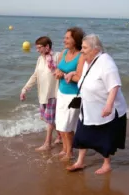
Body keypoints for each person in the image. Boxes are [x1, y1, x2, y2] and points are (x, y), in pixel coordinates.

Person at [66, 34, 127, 174]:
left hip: (105, 109)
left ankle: (107, 164)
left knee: (105, 138)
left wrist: (109, 105)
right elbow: (87, 74)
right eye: (81, 47)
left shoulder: (107, 63)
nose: (82, 50)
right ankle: (80, 162)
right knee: (81, 135)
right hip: (88, 107)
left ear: (96, 49)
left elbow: (114, 85)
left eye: (85, 47)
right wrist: (73, 73)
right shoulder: (89, 59)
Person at [20, 36, 61, 151]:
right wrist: (25, 89)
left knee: (50, 120)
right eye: (36, 48)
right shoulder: (40, 59)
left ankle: (47, 143)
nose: (37, 50)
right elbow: (35, 75)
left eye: (39, 48)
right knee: (47, 118)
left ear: (47, 47)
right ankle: (60, 136)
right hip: (42, 95)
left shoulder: (57, 57)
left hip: (54, 94)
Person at [54, 27, 85, 161]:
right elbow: (57, 69)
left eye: (67, 38)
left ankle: (70, 152)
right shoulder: (64, 53)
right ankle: (65, 149)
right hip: (61, 92)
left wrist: (65, 75)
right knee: (60, 124)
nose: (64, 40)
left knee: (68, 125)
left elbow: (79, 77)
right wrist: (57, 73)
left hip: (73, 96)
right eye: (64, 37)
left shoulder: (81, 56)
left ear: (75, 40)